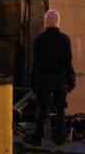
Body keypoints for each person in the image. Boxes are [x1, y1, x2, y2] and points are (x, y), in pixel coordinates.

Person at [24, 9, 76, 146]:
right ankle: (59, 137)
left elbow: (35, 63)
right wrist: (71, 79)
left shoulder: (39, 39)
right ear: (58, 22)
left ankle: (38, 137)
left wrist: (32, 81)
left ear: (46, 22)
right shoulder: (65, 39)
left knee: (42, 109)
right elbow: (67, 61)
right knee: (60, 110)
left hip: (43, 79)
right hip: (59, 79)